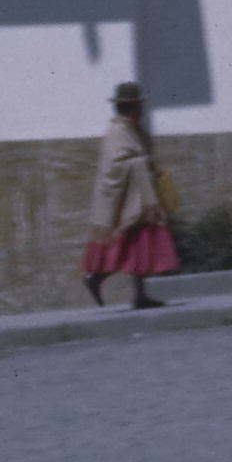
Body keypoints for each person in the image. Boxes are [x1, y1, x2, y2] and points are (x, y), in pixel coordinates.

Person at [79, 81, 180, 309]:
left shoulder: (132, 130)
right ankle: (95, 278)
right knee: (124, 246)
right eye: (138, 106)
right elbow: (115, 166)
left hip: (136, 197)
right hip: (126, 200)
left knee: (137, 246)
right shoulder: (118, 132)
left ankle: (138, 294)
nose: (141, 111)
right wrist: (142, 163)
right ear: (130, 107)